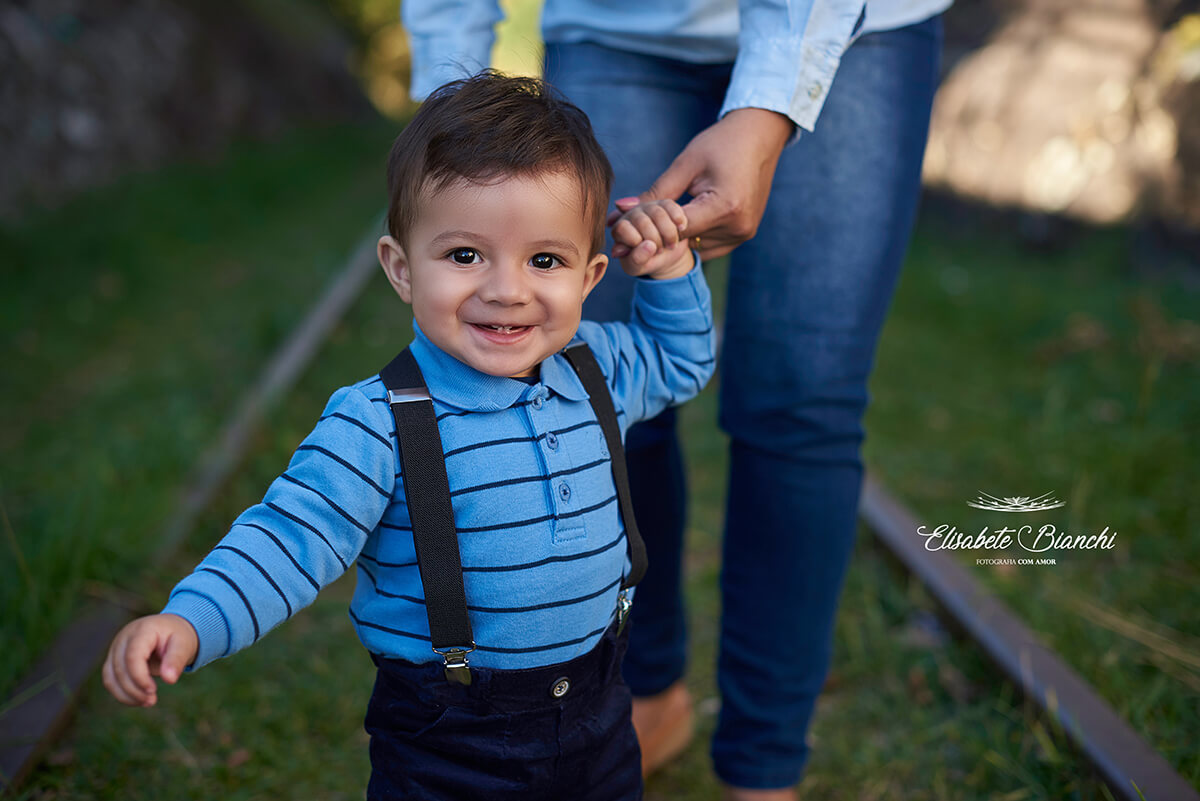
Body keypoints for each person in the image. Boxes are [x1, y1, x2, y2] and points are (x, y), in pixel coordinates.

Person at [102, 71, 717, 799]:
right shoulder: (378, 423)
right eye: (465, 255)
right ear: (400, 268)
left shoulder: (598, 369)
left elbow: (683, 362)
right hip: (450, 740)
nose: (506, 289)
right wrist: (190, 618)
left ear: (589, 277)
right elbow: (289, 537)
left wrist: (673, 269)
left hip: (599, 709)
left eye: (543, 261)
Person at [401, 0, 947, 797]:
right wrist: (445, 115)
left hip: (854, 30)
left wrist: (768, 109)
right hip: (613, 29)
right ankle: (646, 692)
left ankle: (765, 768)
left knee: (801, 401)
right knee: (596, 392)